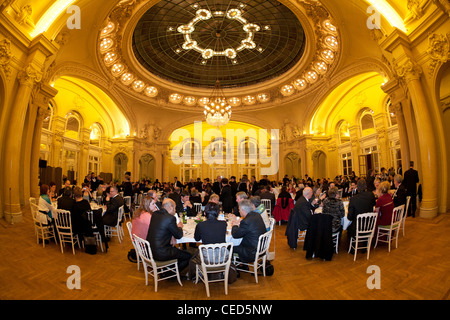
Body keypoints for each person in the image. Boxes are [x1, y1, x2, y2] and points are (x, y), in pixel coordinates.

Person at [146, 198, 192, 276]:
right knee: (189, 256)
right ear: (170, 207)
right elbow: (179, 235)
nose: (175, 211)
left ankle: (167, 270)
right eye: (175, 208)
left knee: (177, 251)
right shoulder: (170, 218)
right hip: (161, 252)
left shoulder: (155, 214)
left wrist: (171, 236)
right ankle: (170, 274)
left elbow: (162, 229)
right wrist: (179, 226)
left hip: (150, 250)